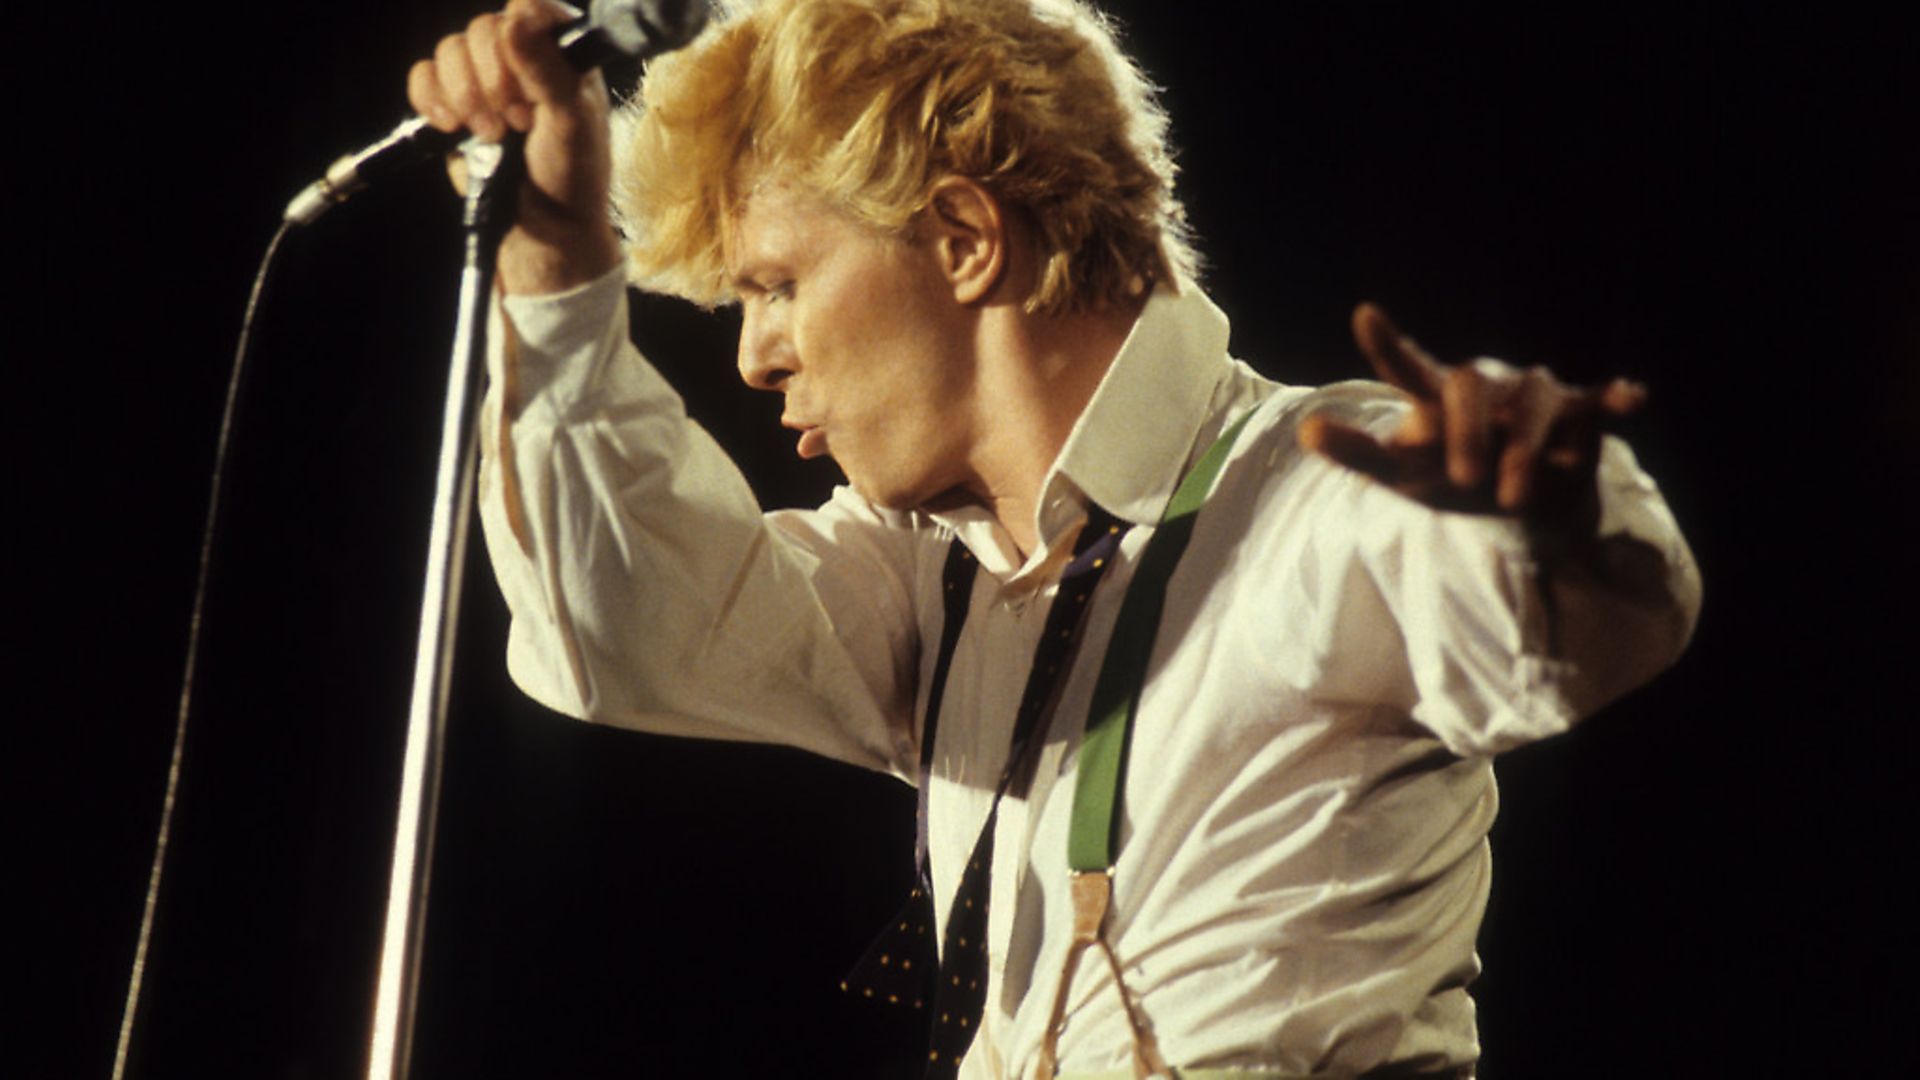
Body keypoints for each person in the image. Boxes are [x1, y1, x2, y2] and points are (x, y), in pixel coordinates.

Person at [408, 0, 1701, 1075]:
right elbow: (624, 628)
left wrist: (1539, 520)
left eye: (778, 286)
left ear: (966, 239)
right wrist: (552, 268)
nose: (753, 357)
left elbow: (1553, 629)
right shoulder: (944, 579)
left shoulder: (1311, 487)